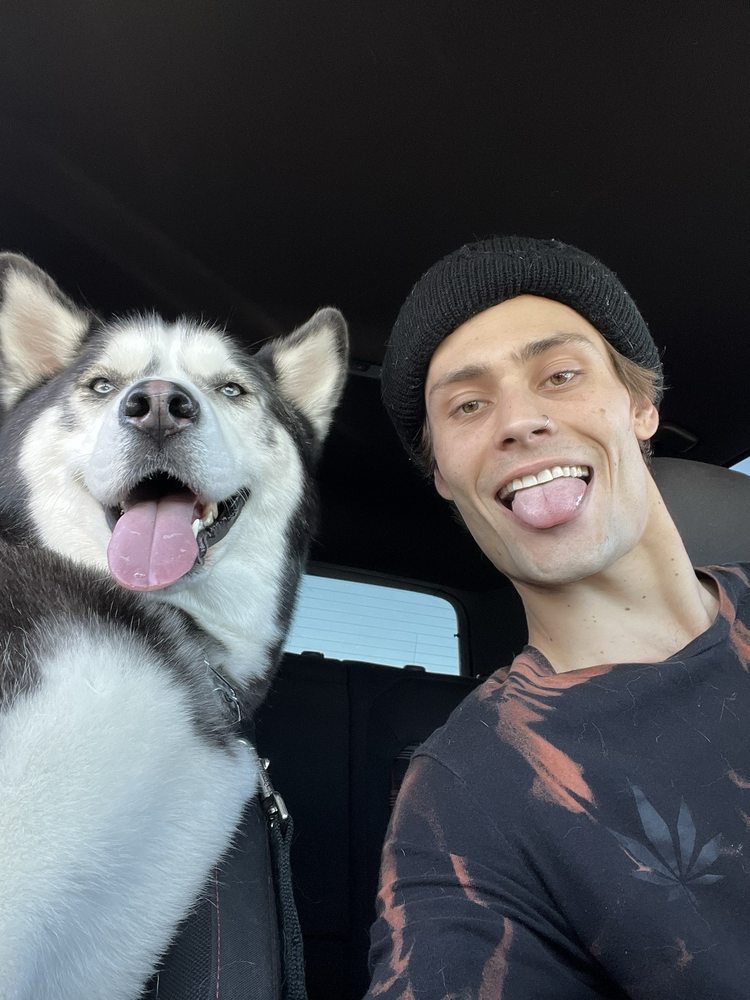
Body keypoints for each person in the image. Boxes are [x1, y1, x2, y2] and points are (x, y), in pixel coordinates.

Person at [365, 236, 750, 998]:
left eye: (561, 375)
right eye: (469, 405)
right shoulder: (465, 799)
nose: (520, 420)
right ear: (443, 474)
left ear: (640, 406)